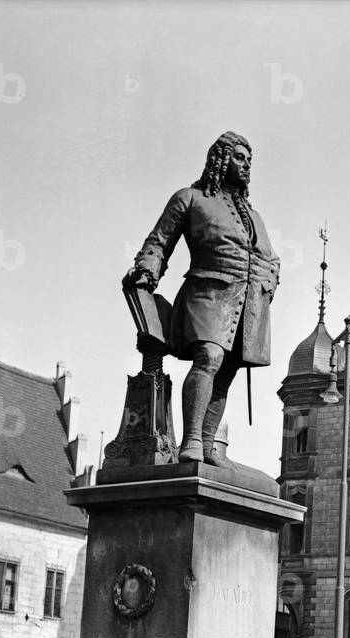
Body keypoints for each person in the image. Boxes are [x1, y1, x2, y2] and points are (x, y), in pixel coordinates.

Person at [125, 132, 280, 465]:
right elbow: (159, 242)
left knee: (226, 372)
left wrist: (269, 283)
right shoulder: (190, 198)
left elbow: (271, 258)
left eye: (250, 161)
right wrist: (147, 270)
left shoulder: (254, 216)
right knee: (209, 357)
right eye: (240, 158)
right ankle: (191, 440)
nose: (246, 165)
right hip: (207, 294)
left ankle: (208, 444)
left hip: (247, 307)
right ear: (220, 160)